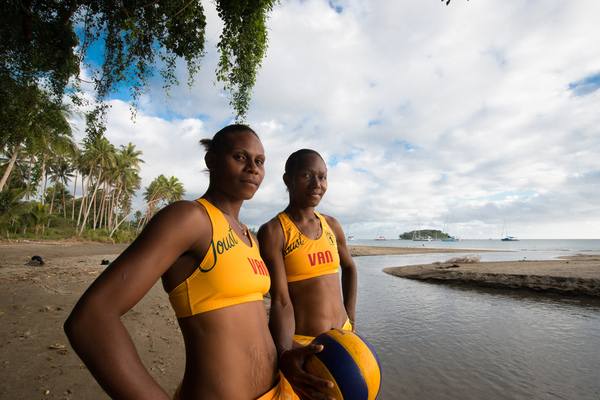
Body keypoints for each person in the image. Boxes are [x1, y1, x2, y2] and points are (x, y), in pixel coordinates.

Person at [64, 126, 331, 400]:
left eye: (259, 161)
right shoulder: (190, 219)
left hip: (278, 391)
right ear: (211, 161)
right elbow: (91, 318)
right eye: (240, 157)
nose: (252, 168)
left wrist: (283, 354)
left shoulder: (250, 238)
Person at [257, 149, 358, 398]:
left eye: (322, 177)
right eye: (306, 175)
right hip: (304, 344)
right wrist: (284, 353)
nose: (317, 184)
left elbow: (349, 268)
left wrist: (351, 317)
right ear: (287, 180)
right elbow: (280, 299)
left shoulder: (331, 225)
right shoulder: (274, 231)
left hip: (344, 337)